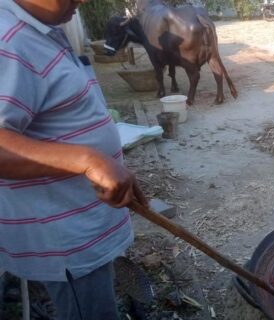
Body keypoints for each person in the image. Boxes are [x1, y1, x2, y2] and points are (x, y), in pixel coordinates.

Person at [0, 1, 147, 319]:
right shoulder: (8, 40)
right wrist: (89, 160)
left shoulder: (39, 27)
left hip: (80, 224)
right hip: (64, 241)